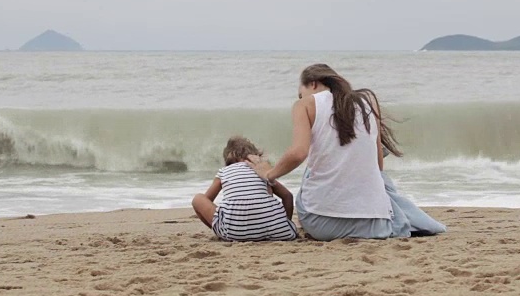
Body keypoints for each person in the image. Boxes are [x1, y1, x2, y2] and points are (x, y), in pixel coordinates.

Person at [247, 64, 446, 241]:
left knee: (312, 169)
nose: (301, 98)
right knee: (369, 168)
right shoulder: (367, 101)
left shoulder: (304, 105)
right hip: (376, 224)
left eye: (301, 92)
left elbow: (299, 153)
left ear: (313, 84)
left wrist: (268, 174)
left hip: (320, 223)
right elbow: (378, 165)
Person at [191, 136, 298, 241]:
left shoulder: (224, 172)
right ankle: (279, 226)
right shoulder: (262, 171)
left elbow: (207, 199)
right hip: (278, 231)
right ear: (255, 155)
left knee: (198, 199)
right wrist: (285, 222)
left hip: (234, 232)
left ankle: (222, 233)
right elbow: (287, 196)